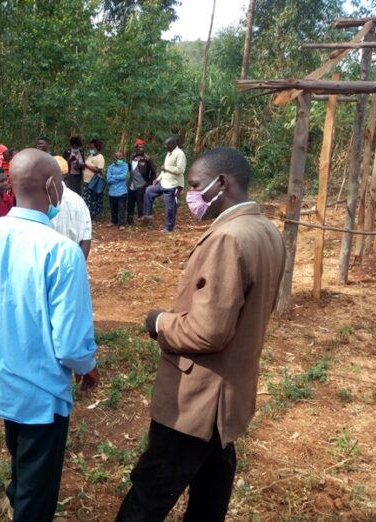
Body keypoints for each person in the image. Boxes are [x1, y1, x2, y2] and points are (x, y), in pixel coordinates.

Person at [115, 148, 285, 522]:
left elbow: (208, 332)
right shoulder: (267, 231)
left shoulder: (228, 238)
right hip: (229, 396)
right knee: (210, 497)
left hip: (197, 403)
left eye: (194, 185)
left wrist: (159, 322)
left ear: (221, 182)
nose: (189, 194)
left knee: (149, 496)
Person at [0, 149, 99, 522]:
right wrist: (88, 368)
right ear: (51, 186)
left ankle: (19, 493)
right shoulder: (62, 252)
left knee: (19, 453)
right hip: (41, 393)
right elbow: (70, 344)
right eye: (60, 183)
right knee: (38, 485)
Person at [141, 135, 186, 233]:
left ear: (173, 145)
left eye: (167, 145)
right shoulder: (169, 153)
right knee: (149, 191)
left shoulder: (180, 154)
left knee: (170, 207)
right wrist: (158, 179)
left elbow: (180, 170)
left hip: (174, 185)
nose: (165, 147)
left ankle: (169, 228)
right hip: (164, 182)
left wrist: (166, 168)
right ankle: (147, 214)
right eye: (165, 145)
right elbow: (164, 168)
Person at [51, 155, 92, 260]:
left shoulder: (41, 200)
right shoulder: (78, 200)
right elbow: (86, 237)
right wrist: (79, 264)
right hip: (71, 260)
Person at [126, 139, 156, 225]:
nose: (141, 149)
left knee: (141, 203)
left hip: (142, 184)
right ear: (136, 148)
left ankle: (142, 220)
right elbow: (129, 168)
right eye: (139, 147)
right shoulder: (132, 157)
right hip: (132, 184)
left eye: (142, 147)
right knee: (130, 202)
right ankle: (129, 220)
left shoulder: (147, 158)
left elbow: (153, 171)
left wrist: (148, 183)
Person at [83, 139, 105, 217]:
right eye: (90, 147)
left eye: (92, 148)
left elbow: (98, 170)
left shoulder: (100, 157)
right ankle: (87, 215)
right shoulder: (91, 156)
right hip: (86, 181)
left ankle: (92, 215)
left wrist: (86, 165)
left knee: (92, 199)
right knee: (87, 199)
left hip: (93, 182)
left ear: (97, 147)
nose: (91, 149)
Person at [106, 151, 128, 228]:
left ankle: (122, 224)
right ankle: (113, 221)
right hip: (112, 191)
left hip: (122, 191)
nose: (120, 159)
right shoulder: (110, 167)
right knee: (113, 208)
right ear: (114, 158)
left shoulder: (125, 165)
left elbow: (123, 176)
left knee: (122, 208)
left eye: (121, 157)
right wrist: (117, 178)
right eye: (119, 158)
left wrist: (113, 176)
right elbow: (108, 179)